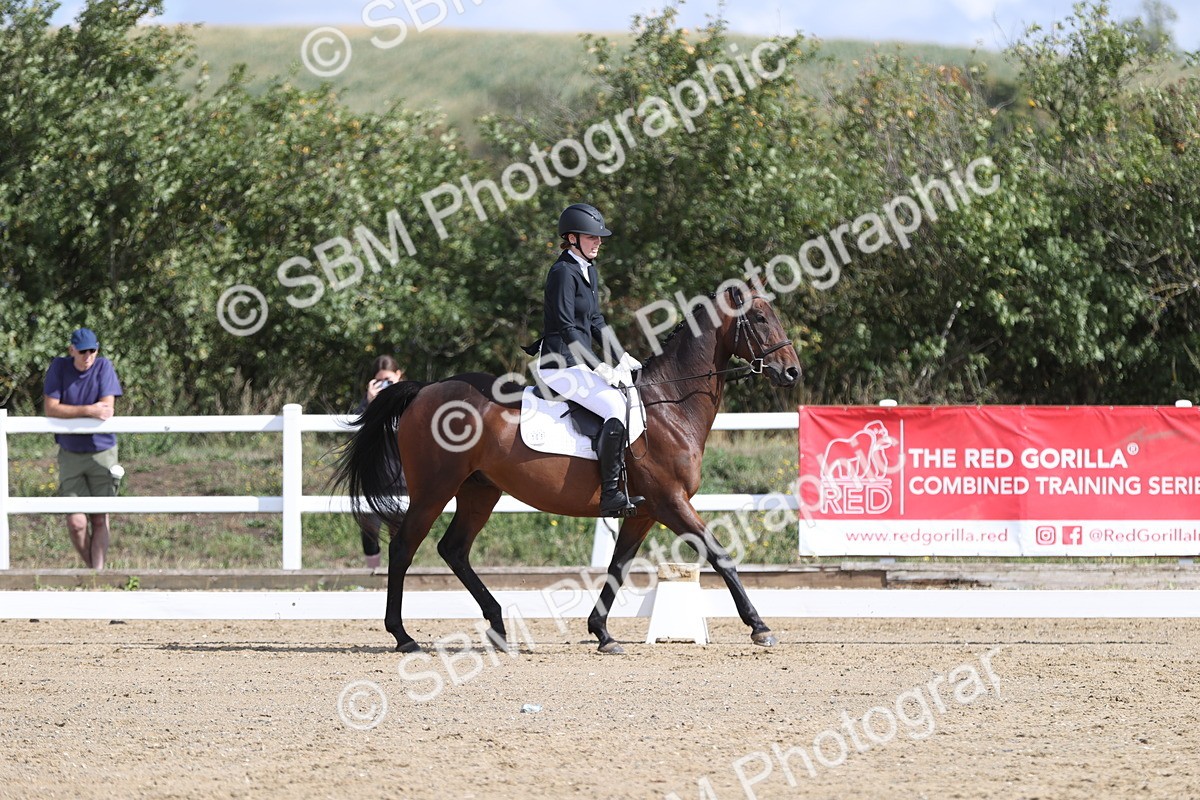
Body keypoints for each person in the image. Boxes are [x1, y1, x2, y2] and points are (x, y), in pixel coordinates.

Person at [529, 202, 645, 517]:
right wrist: (599, 366)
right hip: (559, 365)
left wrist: (621, 356)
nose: (598, 242)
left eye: (599, 237)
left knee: (628, 396)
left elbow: (595, 320)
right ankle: (610, 494)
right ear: (572, 238)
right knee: (615, 406)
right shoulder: (562, 273)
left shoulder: (587, 269)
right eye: (592, 237)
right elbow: (568, 328)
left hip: (579, 362)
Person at [42, 328, 124, 569]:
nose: (88, 356)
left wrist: (72, 411)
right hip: (70, 453)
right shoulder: (59, 367)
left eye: (92, 350)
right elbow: (51, 408)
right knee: (76, 523)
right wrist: (88, 410)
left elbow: (106, 409)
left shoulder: (104, 366)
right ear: (72, 350)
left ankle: (95, 576)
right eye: (82, 351)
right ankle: (95, 575)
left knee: (100, 518)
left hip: (103, 451)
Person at [354, 355, 407, 569]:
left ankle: (395, 577)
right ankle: (373, 574)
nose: (385, 385)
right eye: (380, 380)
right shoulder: (368, 401)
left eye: (389, 380)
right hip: (375, 478)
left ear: (399, 375)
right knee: (369, 533)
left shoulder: (409, 398)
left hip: (402, 478)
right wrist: (370, 402)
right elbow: (355, 429)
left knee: (399, 535)